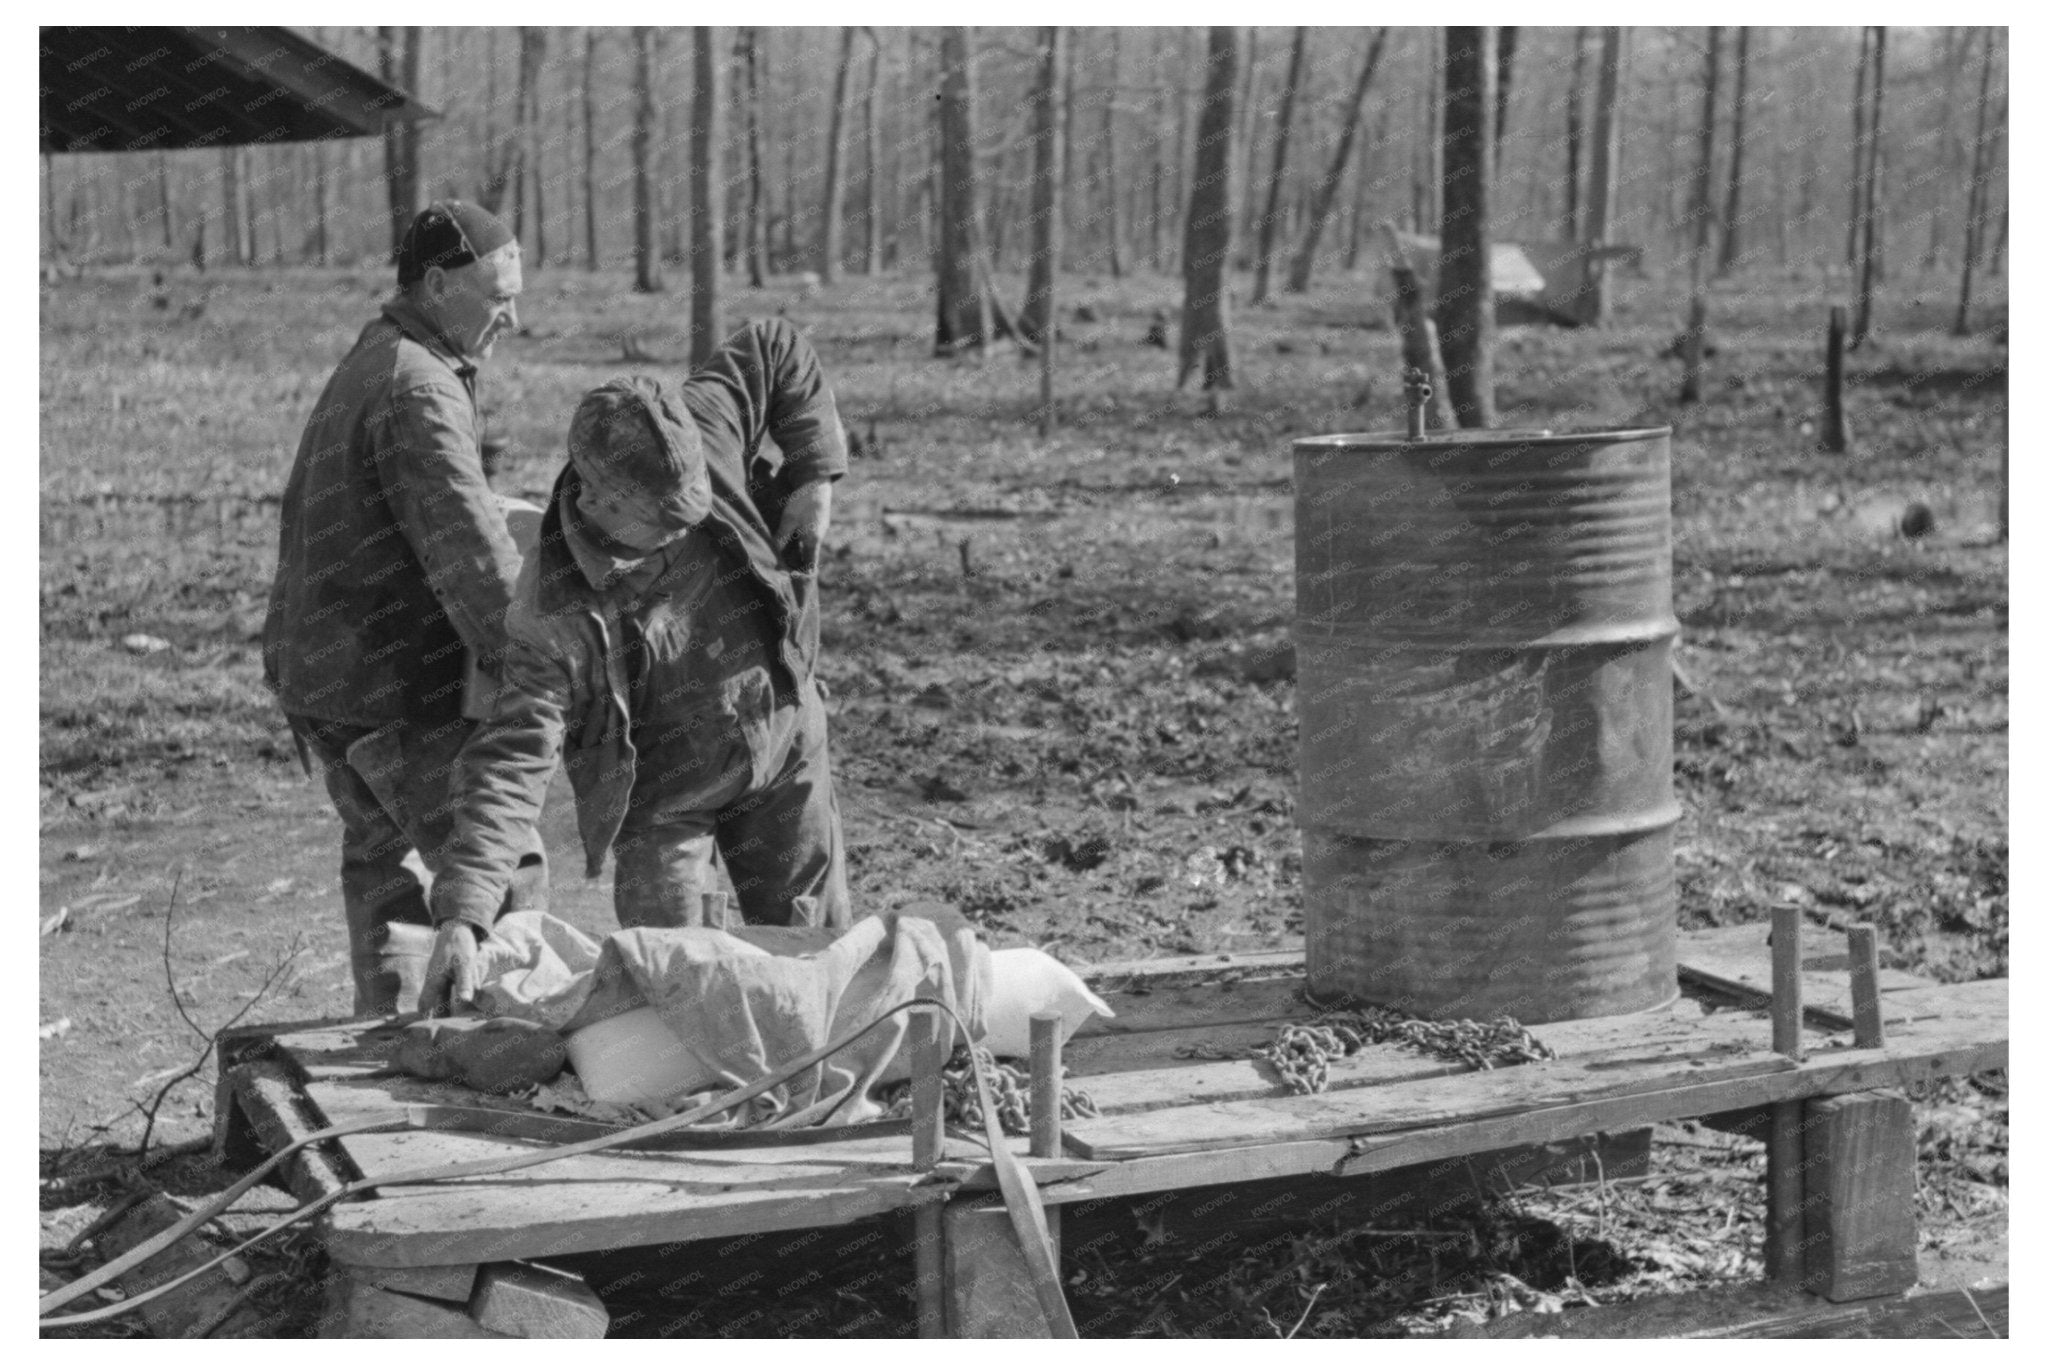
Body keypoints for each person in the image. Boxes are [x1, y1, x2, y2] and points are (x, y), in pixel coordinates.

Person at [420, 320, 851, 1011]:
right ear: (601, 501)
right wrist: (464, 913)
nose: (690, 531)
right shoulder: (551, 616)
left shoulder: (701, 422)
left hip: (785, 741)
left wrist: (813, 475)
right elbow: (511, 762)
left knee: (819, 967)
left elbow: (776, 344)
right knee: (675, 991)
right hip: (665, 803)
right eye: (667, 522)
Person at [262, 200, 547, 1016]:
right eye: (498, 299)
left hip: (326, 681)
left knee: (387, 875)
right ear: (436, 283)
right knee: (501, 871)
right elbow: (473, 559)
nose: (512, 319)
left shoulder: (382, 354)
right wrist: (538, 670)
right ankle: (495, 1065)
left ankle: (381, 1057)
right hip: (388, 690)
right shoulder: (419, 387)